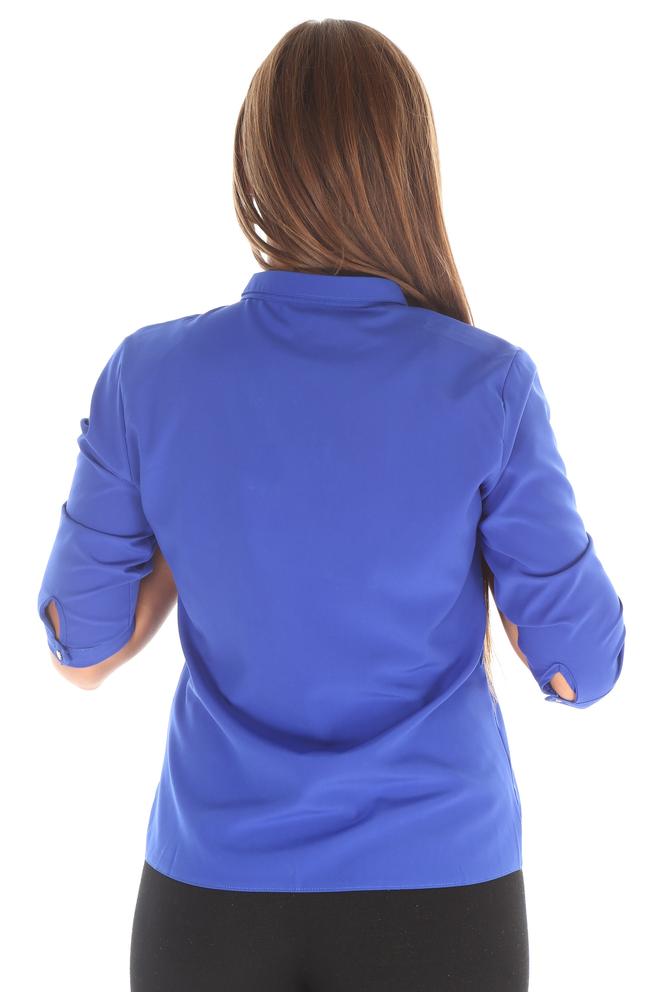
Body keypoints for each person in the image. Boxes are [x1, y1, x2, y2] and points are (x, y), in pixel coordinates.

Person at [36, 18, 625, 992]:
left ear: (254, 165)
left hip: (209, 902)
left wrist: (195, 517)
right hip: (441, 896)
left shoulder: (150, 376)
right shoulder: (487, 385)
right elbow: (581, 669)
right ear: (409, 166)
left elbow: (82, 649)